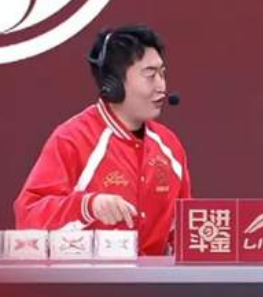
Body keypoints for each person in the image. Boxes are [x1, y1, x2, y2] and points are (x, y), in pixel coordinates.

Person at [14, 24, 191, 255]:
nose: (162, 86)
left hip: (153, 278)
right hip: (88, 277)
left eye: (163, 74)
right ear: (113, 84)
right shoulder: (72, 139)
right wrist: (88, 206)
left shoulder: (169, 145)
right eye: (150, 75)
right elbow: (28, 217)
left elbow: (184, 232)